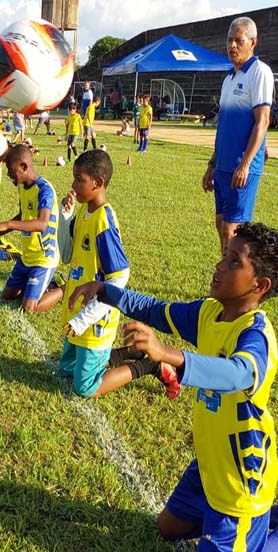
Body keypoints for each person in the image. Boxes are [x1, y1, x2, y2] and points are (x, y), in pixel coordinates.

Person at [69, 222, 278, 552]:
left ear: (261, 285)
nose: (219, 266)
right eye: (224, 255)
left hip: (240, 483)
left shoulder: (256, 337)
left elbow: (237, 374)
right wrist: (107, 291)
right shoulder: (211, 313)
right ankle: (261, 525)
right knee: (167, 530)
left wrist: (169, 355)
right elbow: (156, 310)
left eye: (233, 262)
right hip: (209, 463)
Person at [38, 150, 179, 398]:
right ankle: (129, 352)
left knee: (85, 388)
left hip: (94, 320)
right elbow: (68, 254)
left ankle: (150, 365)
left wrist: (84, 319)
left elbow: (119, 277)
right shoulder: (84, 211)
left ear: (98, 183)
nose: (72, 184)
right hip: (77, 311)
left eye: (78, 179)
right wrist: (64, 217)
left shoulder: (104, 220)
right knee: (65, 370)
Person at [203, 16, 273, 254]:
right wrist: (212, 163)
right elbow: (224, 126)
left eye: (238, 41)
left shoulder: (259, 72)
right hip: (223, 164)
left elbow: (262, 121)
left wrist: (245, 164)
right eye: (229, 40)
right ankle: (226, 278)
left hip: (242, 167)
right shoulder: (228, 80)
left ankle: (236, 284)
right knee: (221, 224)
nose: (232, 46)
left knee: (233, 229)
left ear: (253, 42)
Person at [0, 144, 59, 312]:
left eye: (10, 169)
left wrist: (7, 224)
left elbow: (42, 224)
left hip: (43, 258)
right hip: (27, 256)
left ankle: (64, 288)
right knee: (7, 295)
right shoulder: (23, 187)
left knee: (30, 308)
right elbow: (23, 216)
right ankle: (37, 284)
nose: (8, 173)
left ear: (23, 167)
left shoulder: (45, 190)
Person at [81, 82, 97, 151]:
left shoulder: (90, 92)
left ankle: (93, 148)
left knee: (92, 134)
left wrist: (89, 108)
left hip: (88, 110)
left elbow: (90, 101)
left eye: (87, 85)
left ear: (89, 86)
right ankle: (87, 148)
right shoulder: (84, 93)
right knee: (90, 134)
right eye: (85, 85)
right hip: (85, 111)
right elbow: (83, 101)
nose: (85, 86)